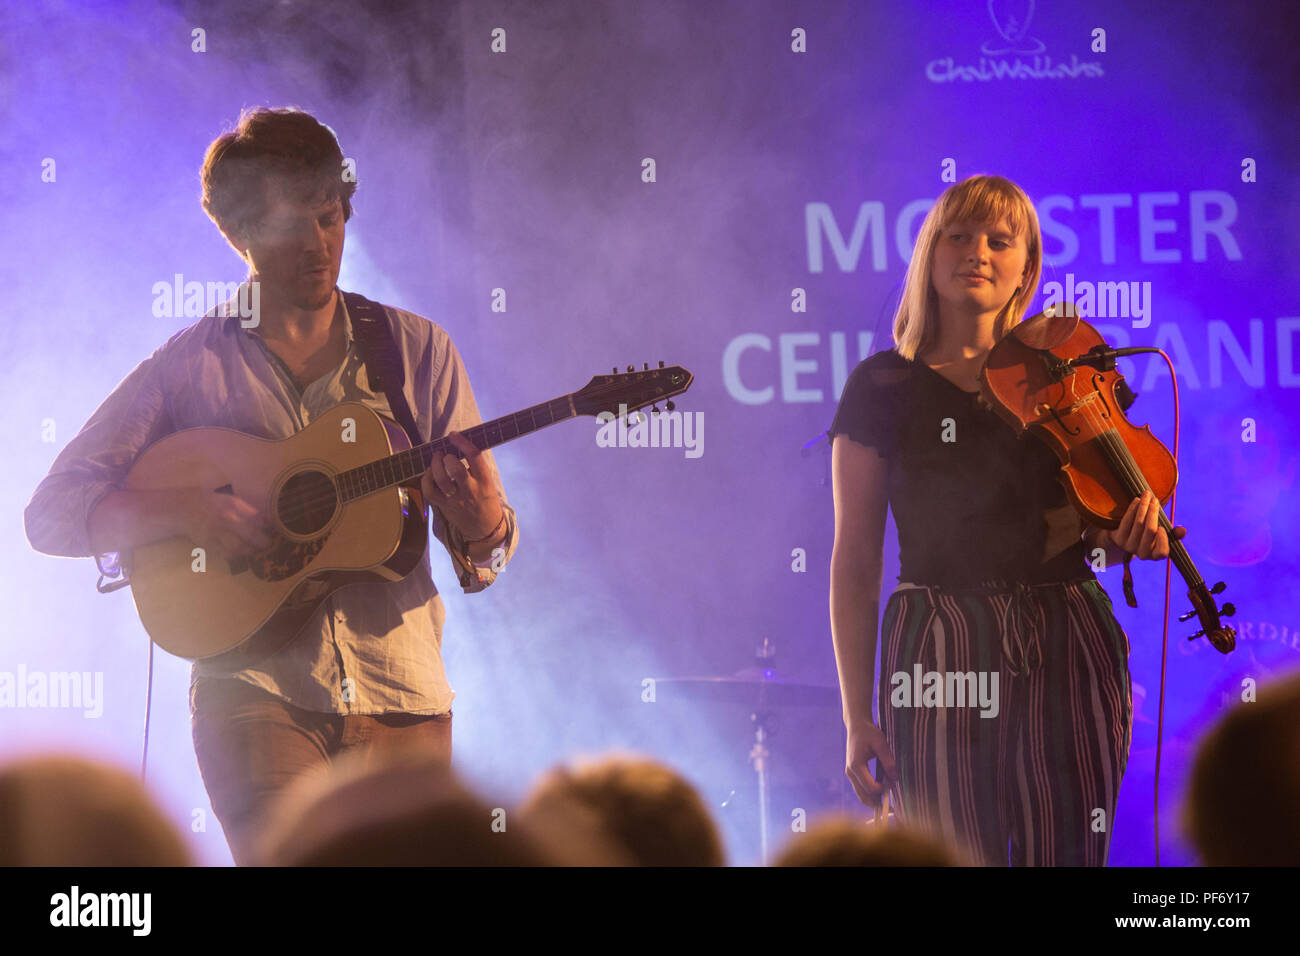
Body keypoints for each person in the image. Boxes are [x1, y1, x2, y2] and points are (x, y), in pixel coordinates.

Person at [23, 107, 519, 865]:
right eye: (292, 227)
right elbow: (52, 512)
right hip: (253, 693)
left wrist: (480, 519)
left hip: (405, 699)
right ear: (241, 235)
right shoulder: (185, 367)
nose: (319, 247)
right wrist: (189, 510)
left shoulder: (418, 350)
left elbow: (483, 558)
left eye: (330, 218)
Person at [827, 174, 1184, 866]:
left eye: (999, 240)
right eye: (958, 236)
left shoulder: (1067, 376)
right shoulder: (880, 386)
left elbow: (1098, 528)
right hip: (936, 640)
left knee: (1071, 853)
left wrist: (1132, 536)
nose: (978, 253)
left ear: (1027, 266)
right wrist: (856, 716)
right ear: (930, 254)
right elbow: (855, 560)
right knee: (951, 855)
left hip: (1065, 634)